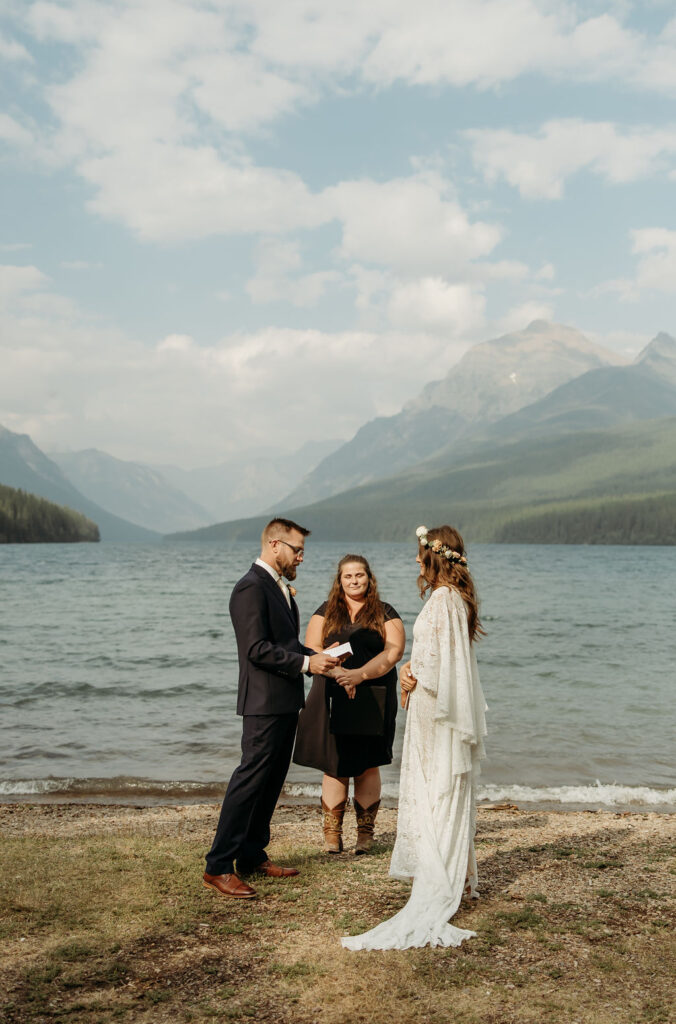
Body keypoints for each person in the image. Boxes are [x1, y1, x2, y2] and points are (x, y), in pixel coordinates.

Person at [342, 525, 487, 950]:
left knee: (432, 786)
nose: (414, 561)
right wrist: (410, 669)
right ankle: (453, 870)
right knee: (443, 784)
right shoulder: (456, 599)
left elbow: (436, 664)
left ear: (433, 557)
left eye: (419, 554)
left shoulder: (443, 601)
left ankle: (439, 873)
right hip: (438, 707)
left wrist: (408, 678)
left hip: (431, 709)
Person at [203, 517, 340, 900]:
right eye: (297, 550)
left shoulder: (279, 588)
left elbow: (286, 642)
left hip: (283, 701)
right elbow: (255, 649)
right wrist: (305, 665)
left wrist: (318, 657)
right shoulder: (250, 587)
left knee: (270, 781)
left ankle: (251, 855)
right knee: (249, 781)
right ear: (275, 544)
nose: (301, 558)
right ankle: (217, 866)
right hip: (262, 703)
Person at [293, 554, 405, 854]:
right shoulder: (325, 611)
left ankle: (365, 835)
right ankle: (332, 835)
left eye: (360, 575)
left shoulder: (385, 611)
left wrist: (358, 676)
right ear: (339, 580)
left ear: (369, 578)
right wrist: (341, 673)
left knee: (367, 764)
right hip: (331, 690)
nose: (354, 581)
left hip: (374, 693)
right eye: (348, 576)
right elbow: (311, 648)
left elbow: (393, 653)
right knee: (334, 764)